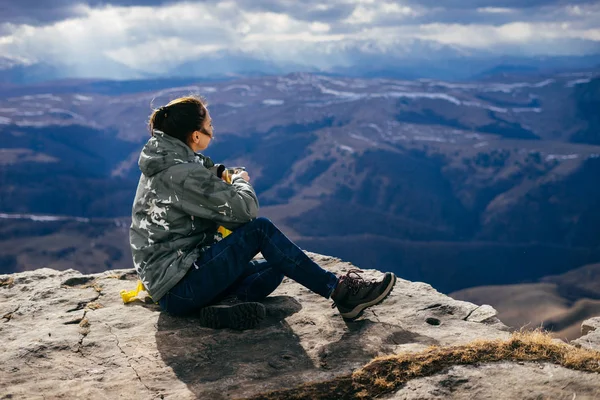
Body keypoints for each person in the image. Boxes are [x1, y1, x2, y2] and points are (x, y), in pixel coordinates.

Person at [129, 96, 396, 330]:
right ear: (195, 136)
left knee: (277, 265)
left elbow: (200, 169)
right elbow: (245, 212)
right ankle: (340, 293)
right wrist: (240, 179)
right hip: (178, 287)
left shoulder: (167, 159)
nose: (213, 130)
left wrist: (221, 171)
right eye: (210, 126)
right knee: (261, 230)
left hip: (177, 277)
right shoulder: (181, 173)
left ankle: (224, 308)